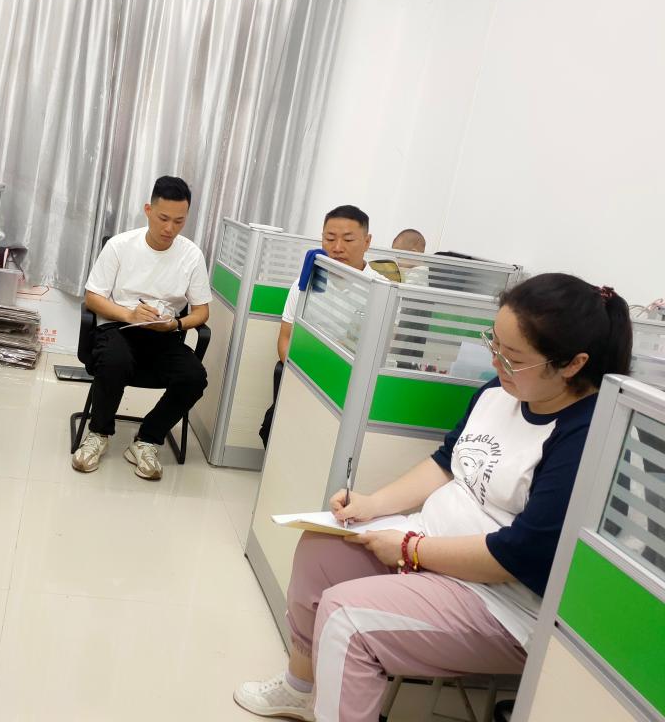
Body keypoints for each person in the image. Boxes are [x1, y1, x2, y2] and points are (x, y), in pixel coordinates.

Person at [235, 273, 632, 722]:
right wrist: (372, 505)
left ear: (573, 364)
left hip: (500, 601)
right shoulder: (499, 392)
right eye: (494, 343)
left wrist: (411, 550)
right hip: (431, 547)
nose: (496, 361)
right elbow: (446, 463)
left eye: (513, 357)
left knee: (347, 619)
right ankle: (300, 688)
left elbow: (519, 556)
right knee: (320, 550)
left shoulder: (585, 437)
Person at [71, 175, 211, 480]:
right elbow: (93, 298)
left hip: (163, 335)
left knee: (194, 377)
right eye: (163, 218)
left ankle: (147, 439)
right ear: (148, 210)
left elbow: (202, 311)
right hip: (119, 327)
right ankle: (99, 433)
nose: (169, 228)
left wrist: (176, 324)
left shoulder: (191, 255)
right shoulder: (121, 246)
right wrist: (129, 315)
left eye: (179, 221)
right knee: (115, 361)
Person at [259, 205, 383, 448]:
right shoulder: (306, 282)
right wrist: (303, 374)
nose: (337, 247)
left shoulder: (382, 292)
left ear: (367, 242)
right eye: (330, 238)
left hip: (353, 387)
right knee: (271, 428)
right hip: (306, 376)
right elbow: (285, 338)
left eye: (348, 239)